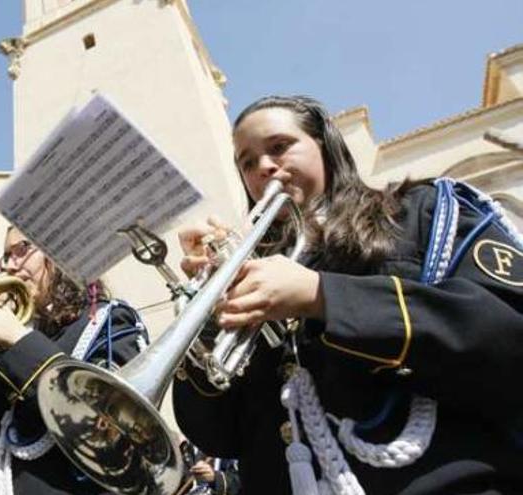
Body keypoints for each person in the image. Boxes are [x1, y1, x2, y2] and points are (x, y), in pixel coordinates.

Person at [172, 95, 523, 494]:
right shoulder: (249, 271)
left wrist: (322, 296)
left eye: (279, 147)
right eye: (247, 163)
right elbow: (218, 435)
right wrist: (206, 313)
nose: (263, 167)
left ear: (324, 145)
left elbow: (506, 333)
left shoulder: (418, 212)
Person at [0, 226, 150, 495]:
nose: (8, 267)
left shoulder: (108, 322)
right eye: (5, 256)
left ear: (62, 255)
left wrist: (18, 340)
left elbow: (111, 433)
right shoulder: (5, 348)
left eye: (22, 250)